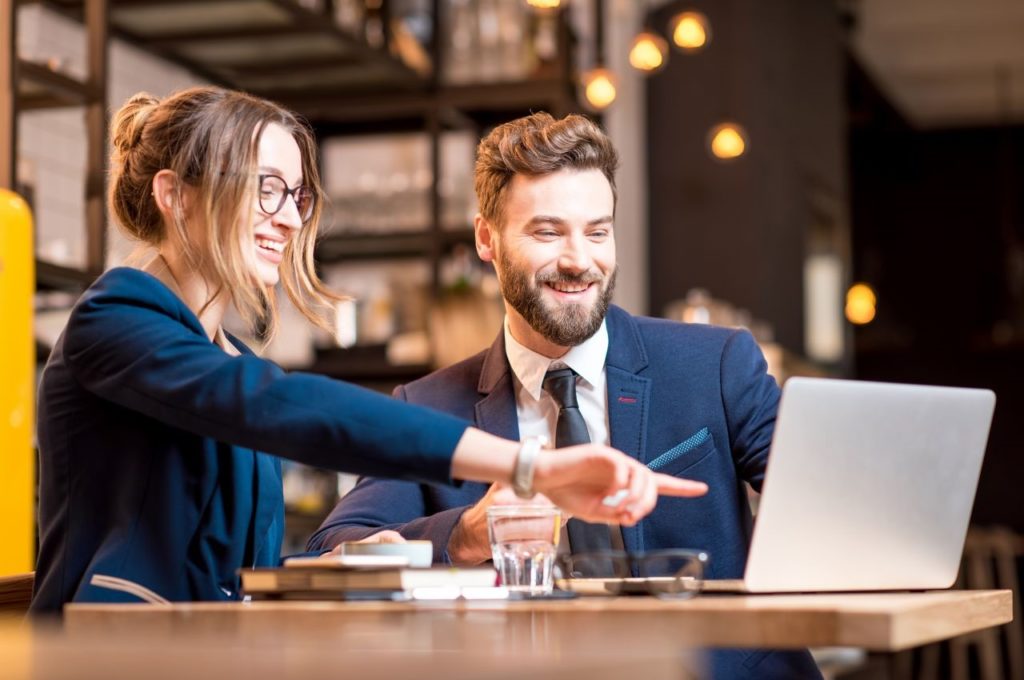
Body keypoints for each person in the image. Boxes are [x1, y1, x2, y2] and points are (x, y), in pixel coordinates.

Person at [30, 88, 706, 614]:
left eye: (295, 195)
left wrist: (333, 568)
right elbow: (281, 406)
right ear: (175, 194)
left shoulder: (226, 354)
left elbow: (226, 576)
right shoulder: (114, 318)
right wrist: (533, 468)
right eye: (264, 188)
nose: (291, 218)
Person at [307, 112, 822, 679]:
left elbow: (822, 502)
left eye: (597, 231)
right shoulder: (427, 406)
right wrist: (467, 533)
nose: (580, 260)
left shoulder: (716, 364)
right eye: (548, 232)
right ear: (487, 239)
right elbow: (332, 551)